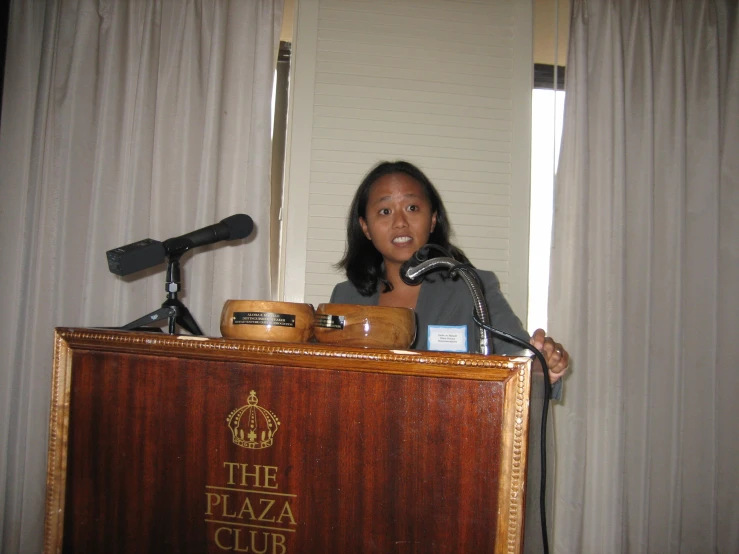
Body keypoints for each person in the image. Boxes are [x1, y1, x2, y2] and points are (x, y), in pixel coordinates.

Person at [329, 160, 569, 389]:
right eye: (384, 211)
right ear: (365, 227)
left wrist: (543, 369)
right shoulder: (345, 296)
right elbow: (326, 374)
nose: (400, 222)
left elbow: (520, 361)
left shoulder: (473, 287)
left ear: (433, 220)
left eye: (412, 208)